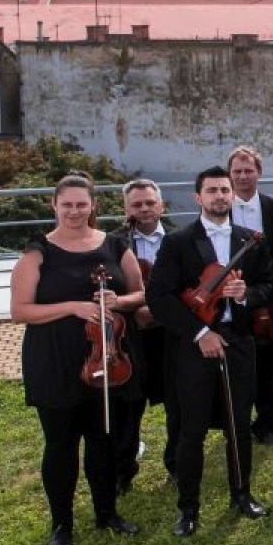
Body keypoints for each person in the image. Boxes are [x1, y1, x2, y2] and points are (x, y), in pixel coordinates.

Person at [10, 174, 146, 545]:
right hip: (54, 358)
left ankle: (107, 513)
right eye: (67, 204)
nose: (74, 211)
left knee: (104, 439)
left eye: (81, 204)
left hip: (107, 357)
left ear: (92, 206)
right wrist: (73, 307)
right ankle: (62, 524)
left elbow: (140, 293)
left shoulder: (115, 245)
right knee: (61, 444)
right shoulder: (37, 252)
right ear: (54, 205)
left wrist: (118, 301)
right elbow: (20, 311)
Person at [146, 166, 273, 536]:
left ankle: (242, 494)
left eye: (224, 190)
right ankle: (188, 509)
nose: (220, 196)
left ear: (232, 195)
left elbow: (269, 285)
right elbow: (158, 297)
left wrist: (247, 294)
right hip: (195, 344)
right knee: (192, 429)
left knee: (239, 424)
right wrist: (200, 332)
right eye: (212, 190)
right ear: (198, 197)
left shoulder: (250, 240)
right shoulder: (178, 242)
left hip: (239, 341)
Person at [227, 145, 273, 445]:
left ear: (259, 173)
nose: (243, 176)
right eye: (237, 171)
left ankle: (268, 422)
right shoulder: (219, 207)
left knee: (269, 360)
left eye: (248, 170)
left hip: (269, 291)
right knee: (236, 358)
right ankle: (235, 421)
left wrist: (266, 276)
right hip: (230, 292)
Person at [110, 178, 172, 489]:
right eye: (136, 204)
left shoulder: (179, 239)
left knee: (176, 402)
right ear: (126, 209)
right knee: (128, 405)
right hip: (129, 337)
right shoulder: (112, 243)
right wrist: (134, 309)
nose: (144, 209)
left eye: (150, 203)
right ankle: (123, 470)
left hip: (169, 334)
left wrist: (158, 311)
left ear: (161, 206)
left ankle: (177, 465)